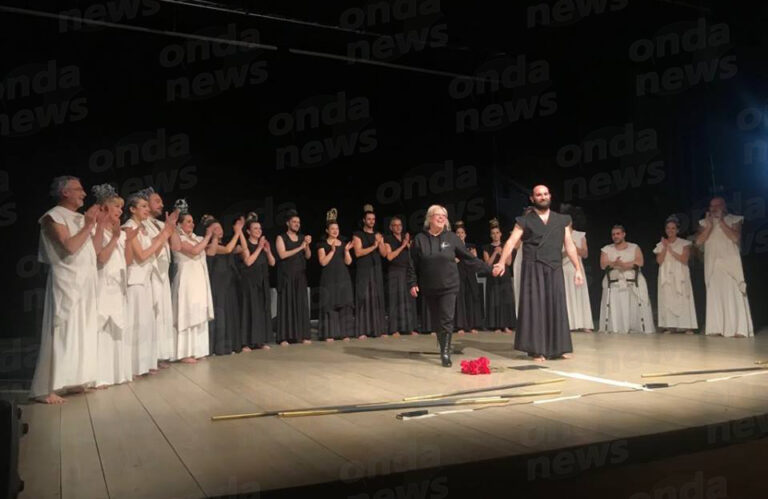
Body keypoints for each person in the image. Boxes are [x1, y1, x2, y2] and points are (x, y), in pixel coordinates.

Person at [30, 176, 101, 403]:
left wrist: (99, 224)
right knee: (59, 332)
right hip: (66, 281)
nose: (84, 193)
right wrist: (89, 224)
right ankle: (45, 388)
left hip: (85, 280)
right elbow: (69, 246)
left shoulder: (81, 217)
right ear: (65, 193)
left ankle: (74, 380)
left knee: (81, 331)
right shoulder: (53, 216)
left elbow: (94, 250)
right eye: (78, 189)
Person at [493, 185, 584, 362]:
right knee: (535, 307)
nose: (542, 197)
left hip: (554, 267)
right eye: (538, 195)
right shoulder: (524, 220)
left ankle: (559, 347)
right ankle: (536, 349)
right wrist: (502, 261)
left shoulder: (562, 219)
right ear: (532, 199)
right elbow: (511, 242)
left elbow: (569, 244)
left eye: (545, 194)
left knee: (556, 305)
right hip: (533, 267)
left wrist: (577, 268)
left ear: (549, 196)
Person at [408, 205, 492, 367]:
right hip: (429, 287)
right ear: (429, 218)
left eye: (444, 216)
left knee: (446, 318)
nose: (441, 218)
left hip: (449, 286)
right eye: (437, 215)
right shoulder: (419, 239)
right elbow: (413, 264)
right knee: (437, 321)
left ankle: (445, 353)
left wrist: (489, 269)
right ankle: (443, 344)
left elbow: (468, 258)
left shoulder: (452, 238)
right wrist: (412, 283)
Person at [123, 191, 177, 376]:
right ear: (132, 209)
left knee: (145, 324)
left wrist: (166, 232)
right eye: (143, 206)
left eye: (148, 206)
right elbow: (142, 254)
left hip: (145, 279)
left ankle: (143, 364)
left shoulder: (143, 228)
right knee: (135, 324)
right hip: (135, 280)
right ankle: (132, 366)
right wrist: (164, 235)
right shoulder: (129, 226)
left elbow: (153, 248)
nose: (147, 209)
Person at [92, 184, 133, 387]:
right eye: (117, 207)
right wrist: (115, 238)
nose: (120, 211)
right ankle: (100, 375)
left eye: (121, 208)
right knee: (103, 326)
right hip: (103, 283)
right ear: (106, 209)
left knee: (117, 326)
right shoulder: (98, 230)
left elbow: (126, 261)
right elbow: (101, 258)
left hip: (118, 285)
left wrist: (126, 240)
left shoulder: (119, 232)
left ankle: (117, 373)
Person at [696, 197, 753, 337]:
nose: (714, 208)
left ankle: (738, 329)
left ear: (724, 206)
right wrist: (709, 226)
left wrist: (721, 221)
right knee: (716, 294)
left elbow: (735, 238)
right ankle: (717, 328)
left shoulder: (734, 219)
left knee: (732, 293)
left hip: (730, 263)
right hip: (713, 263)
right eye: (711, 206)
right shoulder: (704, 223)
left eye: (717, 205)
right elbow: (698, 242)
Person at [140, 187, 181, 367]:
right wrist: (166, 229)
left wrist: (172, 228)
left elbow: (177, 246)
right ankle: (149, 357)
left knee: (163, 314)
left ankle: (160, 354)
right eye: (157, 201)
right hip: (150, 272)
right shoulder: (142, 223)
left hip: (163, 273)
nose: (161, 205)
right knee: (152, 314)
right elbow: (148, 246)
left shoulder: (158, 224)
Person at [172, 200, 215, 363]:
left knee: (198, 311)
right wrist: (209, 235)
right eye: (188, 222)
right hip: (186, 278)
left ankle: (198, 349)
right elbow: (194, 251)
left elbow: (210, 251)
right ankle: (184, 352)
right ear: (180, 224)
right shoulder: (178, 237)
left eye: (192, 221)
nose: (192, 224)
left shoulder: (197, 237)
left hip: (198, 278)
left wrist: (214, 236)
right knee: (187, 311)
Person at [598, 225, 655, 334]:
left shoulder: (634, 247)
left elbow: (639, 262)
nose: (615, 236)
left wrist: (625, 265)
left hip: (632, 278)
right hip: (614, 279)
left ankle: (636, 326)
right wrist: (615, 263)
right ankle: (615, 327)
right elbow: (603, 264)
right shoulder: (606, 249)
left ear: (624, 234)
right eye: (613, 234)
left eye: (618, 234)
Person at [204, 214, 245, 355]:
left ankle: (230, 345)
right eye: (215, 228)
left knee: (229, 313)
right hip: (217, 282)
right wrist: (238, 232)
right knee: (219, 313)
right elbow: (227, 250)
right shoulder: (210, 245)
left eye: (220, 227)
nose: (219, 230)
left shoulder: (228, 242)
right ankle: (217, 347)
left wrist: (240, 233)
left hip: (229, 283)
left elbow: (243, 249)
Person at [317, 209, 356, 342]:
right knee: (330, 304)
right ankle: (329, 334)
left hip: (343, 278)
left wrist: (345, 251)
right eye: (332, 229)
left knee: (344, 304)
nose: (335, 231)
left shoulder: (344, 243)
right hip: (329, 278)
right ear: (327, 230)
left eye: (337, 228)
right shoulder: (322, 244)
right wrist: (332, 251)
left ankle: (345, 333)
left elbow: (349, 262)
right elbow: (323, 262)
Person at [654, 215, 697, 334]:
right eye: (668, 228)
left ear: (677, 230)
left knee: (682, 298)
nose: (670, 231)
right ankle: (670, 325)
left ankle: (687, 326)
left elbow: (684, 259)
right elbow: (659, 261)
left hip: (680, 274)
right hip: (666, 275)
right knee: (667, 298)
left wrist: (670, 248)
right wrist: (664, 247)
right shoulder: (660, 244)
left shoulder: (684, 243)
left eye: (673, 228)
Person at [238, 213, 276, 350]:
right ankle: (245, 342)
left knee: (261, 312)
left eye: (260, 228)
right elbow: (248, 261)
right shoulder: (245, 245)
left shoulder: (263, 245)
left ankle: (259, 341)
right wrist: (259, 247)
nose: (259, 231)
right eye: (255, 228)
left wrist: (268, 251)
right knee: (249, 311)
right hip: (249, 283)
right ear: (248, 231)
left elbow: (272, 263)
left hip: (262, 282)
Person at [275, 209, 312, 345]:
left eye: (298, 222)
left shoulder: (302, 238)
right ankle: (284, 337)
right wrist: (300, 247)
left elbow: (308, 256)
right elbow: (282, 254)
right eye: (294, 222)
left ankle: (301, 335)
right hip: (287, 276)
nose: (297, 224)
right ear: (287, 223)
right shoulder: (281, 237)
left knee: (300, 304)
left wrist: (306, 245)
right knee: (287, 305)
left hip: (300, 275)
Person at [353, 205, 387, 338]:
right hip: (364, 268)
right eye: (369, 219)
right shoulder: (358, 234)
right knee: (364, 297)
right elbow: (358, 252)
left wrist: (380, 243)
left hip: (376, 268)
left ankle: (378, 329)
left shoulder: (378, 235)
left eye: (373, 219)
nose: (371, 221)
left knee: (376, 297)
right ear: (364, 220)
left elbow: (384, 254)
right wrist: (374, 245)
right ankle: (362, 330)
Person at [383, 216, 418, 337]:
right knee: (395, 300)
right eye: (395, 225)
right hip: (395, 272)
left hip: (407, 272)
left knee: (409, 300)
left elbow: (414, 255)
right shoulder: (387, 239)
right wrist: (403, 246)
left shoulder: (406, 238)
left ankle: (410, 328)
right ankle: (394, 329)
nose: (398, 227)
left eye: (400, 225)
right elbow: (389, 257)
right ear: (391, 227)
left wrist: (408, 245)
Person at [560, 205, 593, 332]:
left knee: (580, 294)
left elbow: (585, 253)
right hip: (564, 269)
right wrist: (568, 251)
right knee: (568, 295)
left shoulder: (580, 235)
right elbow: (558, 255)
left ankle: (584, 323)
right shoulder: (560, 236)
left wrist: (574, 248)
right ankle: (569, 324)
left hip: (577, 269)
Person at [483, 218, 515, 334]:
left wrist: (502, 253)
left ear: (500, 234)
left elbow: (509, 263)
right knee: (495, 300)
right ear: (491, 235)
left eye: (497, 233)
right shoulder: (487, 247)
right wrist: (495, 252)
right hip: (493, 276)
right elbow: (487, 264)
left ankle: (506, 325)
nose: (495, 235)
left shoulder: (506, 245)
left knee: (505, 300)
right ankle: (496, 325)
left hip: (505, 275)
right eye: (493, 233)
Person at [453, 221, 483, 335]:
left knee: (471, 299)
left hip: (470, 275)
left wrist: (473, 257)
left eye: (462, 232)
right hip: (458, 274)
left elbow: (476, 261)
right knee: (460, 300)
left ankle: (472, 325)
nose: (460, 235)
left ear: (465, 234)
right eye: (458, 233)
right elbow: (452, 261)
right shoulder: (453, 247)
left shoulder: (470, 247)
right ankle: (460, 326)